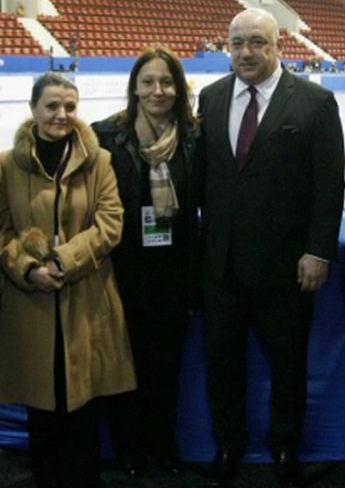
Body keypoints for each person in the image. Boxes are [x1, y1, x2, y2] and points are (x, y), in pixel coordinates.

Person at [196, 8, 345, 488]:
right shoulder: (212, 97)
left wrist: (319, 250)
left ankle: (284, 448)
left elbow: (329, 186)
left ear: (279, 45)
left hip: (286, 269)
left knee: (287, 368)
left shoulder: (315, 102)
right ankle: (228, 444)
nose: (246, 52)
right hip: (220, 267)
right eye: (237, 43)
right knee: (223, 366)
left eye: (257, 42)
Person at [0, 72, 136, 488]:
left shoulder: (98, 160)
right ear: (33, 109)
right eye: (51, 106)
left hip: (85, 295)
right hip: (31, 301)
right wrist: (28, 270)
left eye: (69, 106)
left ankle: (84, 476)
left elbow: (110, 223)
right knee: (41, 398)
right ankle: (48, 474)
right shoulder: (6, 164)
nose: (61, 115)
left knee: (83, 395)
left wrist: (64, 263)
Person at [92, 45, 200, 478]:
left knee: (166, 368)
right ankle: (128, 448)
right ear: (134, 88)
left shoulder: (194, 137)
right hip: (124, 272)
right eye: (149, 82)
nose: (158, 90)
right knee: (126, 366)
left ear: (179, 88)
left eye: (167, 81)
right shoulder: (107, 136)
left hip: (175, 273)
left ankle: (163, 443)